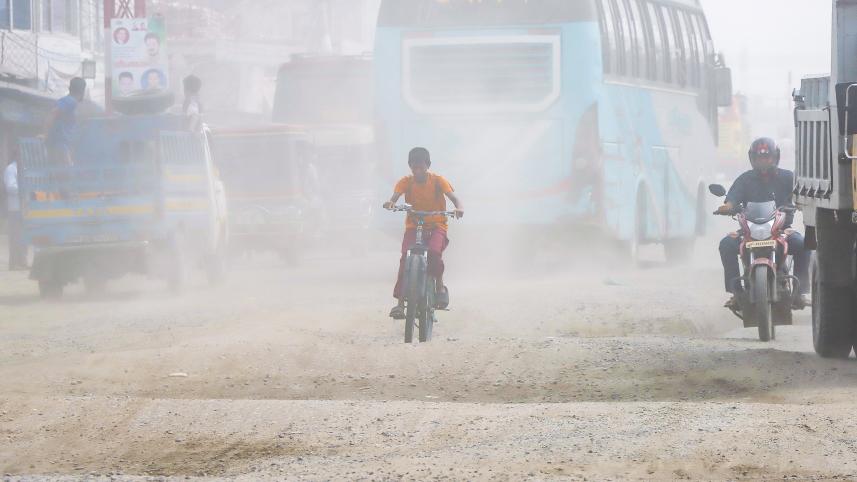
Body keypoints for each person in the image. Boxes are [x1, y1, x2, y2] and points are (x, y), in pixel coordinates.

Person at [716, 137, 811, 309]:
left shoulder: (788, 177)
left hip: (781, 230)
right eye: (759, 158)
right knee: (726, 244)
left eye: (767, 157)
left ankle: (799, 292)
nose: (763, 161)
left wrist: (802, 203)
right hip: (749, 232)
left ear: (775, 157)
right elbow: (731, 200)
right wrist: (726, 207)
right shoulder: (745, 179)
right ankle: (736, 293)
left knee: (803, 244)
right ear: (752, 159)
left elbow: (801, 196)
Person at [383, 147, 464, 319]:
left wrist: (459, 207)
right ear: (410, 167)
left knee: (434, 252)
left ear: (428, 165)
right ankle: (400, 303)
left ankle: (440, 286)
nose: (418, 170)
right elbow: (394, 197)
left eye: (421, 167)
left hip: (437, 225)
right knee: (406, 257)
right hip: (414, 226)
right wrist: (390, 203)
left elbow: (454, 198)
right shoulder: (406, 182)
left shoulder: (438, 181)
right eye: (414, 167)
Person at [44, 77, 86, 166]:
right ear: (82, 91)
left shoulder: (69, 101)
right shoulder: (71, 101)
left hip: (64, 146)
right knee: (68, 175)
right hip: (62, 146)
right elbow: (53, 113)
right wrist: (45, 134)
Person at [4, 146, 26, 270]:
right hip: (15, 208)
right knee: (15, 237)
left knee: (24, 236)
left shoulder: (24, 169)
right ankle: (13, 263)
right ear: (17, 156)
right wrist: (23, 190)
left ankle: (22, 261)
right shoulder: (11, 169)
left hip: (24, 208)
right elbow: (10, 187)